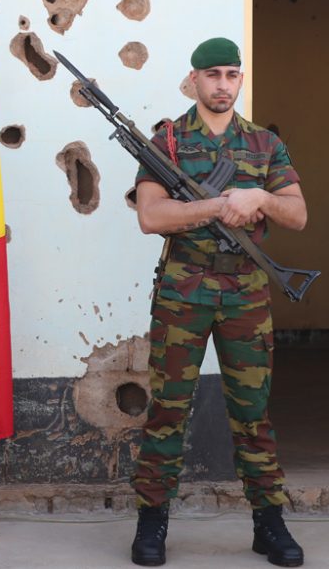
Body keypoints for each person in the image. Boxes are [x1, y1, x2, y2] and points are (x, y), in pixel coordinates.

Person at [129, 38, 308, 567]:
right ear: (196, 79)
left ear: (240, 79)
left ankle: (269, 523)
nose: (223, 84)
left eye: (232, 74)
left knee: (253, 414)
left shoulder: (264, 144)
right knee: (168, 411)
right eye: (214, 75)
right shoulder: (168, 141)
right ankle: (152, 522)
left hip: (246, 295)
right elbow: (151, 217)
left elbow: (296, 215)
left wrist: (260, 199)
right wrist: (215, 206)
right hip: (183, 292)